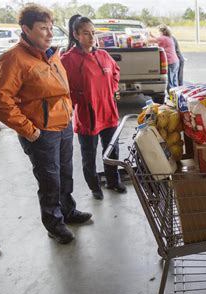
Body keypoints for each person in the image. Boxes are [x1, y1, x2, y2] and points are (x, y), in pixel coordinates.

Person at [0, 4, 92, 245]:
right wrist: (29, 130)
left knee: (66, 173)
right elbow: (0, 101)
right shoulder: (13, 59)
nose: (49, 33)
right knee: (50, 181)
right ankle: (54, 225)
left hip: (63, 125)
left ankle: (68, 211)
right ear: (25, 29)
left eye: (50, 27)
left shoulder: (51, 54)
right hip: (41, 132)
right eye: (42, 28)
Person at [61, 15, 125, 200]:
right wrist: (79, 98)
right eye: (86, 33)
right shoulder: (68, 60)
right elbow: (62, 87)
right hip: (88, 115)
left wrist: (111, 90)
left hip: (109, 111)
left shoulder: (103, 55)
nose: (91, 37)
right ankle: (95, 186)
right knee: (89, 155)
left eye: (93, 33)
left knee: (112, 150)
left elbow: (115, 72)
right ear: (76, 35)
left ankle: (113, 181)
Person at [148, 25, 179, 91]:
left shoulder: (163, 38)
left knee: (169, 82)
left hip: (170, 62)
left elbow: (149, 41)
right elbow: (157, 39)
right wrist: (151, 35)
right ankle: (176, 96)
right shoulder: (168, 37)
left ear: (162, 32)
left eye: (159, 31)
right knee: (174, 81)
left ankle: (171, 97)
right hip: (175, 61)